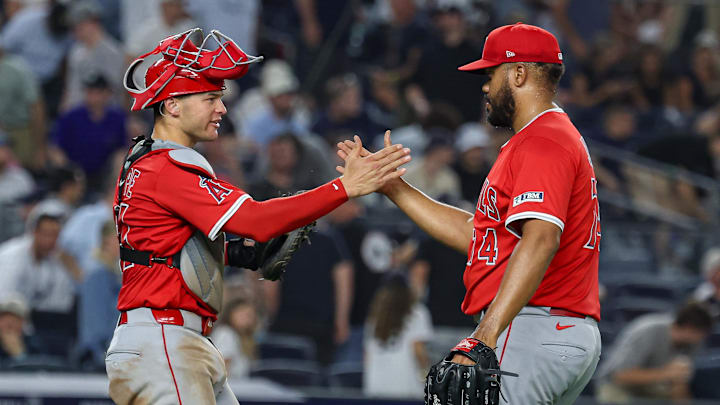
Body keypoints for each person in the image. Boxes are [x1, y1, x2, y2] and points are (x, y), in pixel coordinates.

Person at [106, 29, 411, 404]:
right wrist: (344, 188)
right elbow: (256, 220)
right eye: (211, 98)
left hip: (171, 340)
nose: (222, 108)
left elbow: (165, 247)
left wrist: (235, 254)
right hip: (163, 340)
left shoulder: (146, 159)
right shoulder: (166, 168)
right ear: (172, 104)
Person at [338, 22, 602, 404]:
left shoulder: (544, 140)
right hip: (552, 328)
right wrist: (392, 186)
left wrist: (485, 335)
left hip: (531, 323)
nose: (485, 86)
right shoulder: (542, 138)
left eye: (491, 74)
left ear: (519, 73)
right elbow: (479, 236)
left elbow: (543, 238)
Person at [595, 301, 713, 404]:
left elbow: (678, 385)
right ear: (689, 328)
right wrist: (666, 373)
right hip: (614, 385)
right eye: (700, 334)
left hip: (651, 385)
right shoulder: (649, 331)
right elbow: (620, 376)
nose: (701, 339)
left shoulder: (692, 344)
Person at [363, 273, 433, 399]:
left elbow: (367, 357)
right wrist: (426, 375)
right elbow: (418, 350)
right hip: (406, 388)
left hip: (376, 387)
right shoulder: (417, 313)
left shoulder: (374, 317)